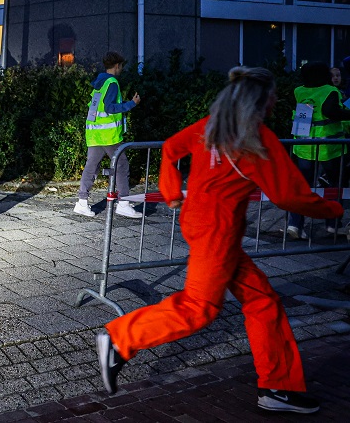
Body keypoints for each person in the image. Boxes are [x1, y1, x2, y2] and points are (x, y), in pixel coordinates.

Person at [97, 67, 343, 415]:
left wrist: (170, 192)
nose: (276, 100)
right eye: (273, 95)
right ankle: (121, 338)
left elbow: (170, 148)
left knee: (262, 300)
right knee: (200, 308)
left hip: (201, 225)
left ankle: (278, 386)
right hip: (218, 234)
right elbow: (289, 197)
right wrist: (334, 210)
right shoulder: (256, 139)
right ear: (261, 100)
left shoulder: (212, 127)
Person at [75, 51, 143, 219]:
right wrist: (131, 104)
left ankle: (81, 203)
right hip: (108, 135)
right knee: (122, 166)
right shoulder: (112, 83)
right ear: (117, 66)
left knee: (91, 167)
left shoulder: (100, 82)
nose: (121, 70)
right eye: (121, 67)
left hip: (94, 133)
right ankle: (124, 204)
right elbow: (109, 108)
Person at [286, 61, 350, 239]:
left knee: (303, 186)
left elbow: (302, 117)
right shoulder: (329, 91)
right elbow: (332, 113)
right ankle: (333, 224)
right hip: (328, 149)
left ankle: (295, 225)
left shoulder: (300, 91)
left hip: (304, 147)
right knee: (334, 186)